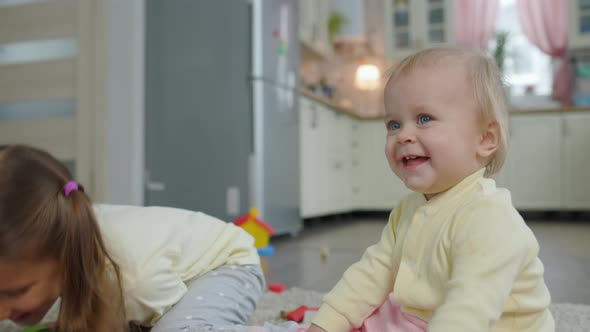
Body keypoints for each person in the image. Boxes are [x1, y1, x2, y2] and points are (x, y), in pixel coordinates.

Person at [304, 47, 554, 331]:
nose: (403, 135)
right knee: (369, 309)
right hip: (429, 318)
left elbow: (469, 308)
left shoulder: (489, 218)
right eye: (394, 124)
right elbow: (372, 274)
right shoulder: (407, 211)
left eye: (424, 118)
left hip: (483, 324)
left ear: (485, 139)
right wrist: (324, 325)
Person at [0, 144, 265, 332]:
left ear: (64, 256)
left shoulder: (135, 279)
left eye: (14, 292)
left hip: (226, 265)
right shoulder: (60, 239)